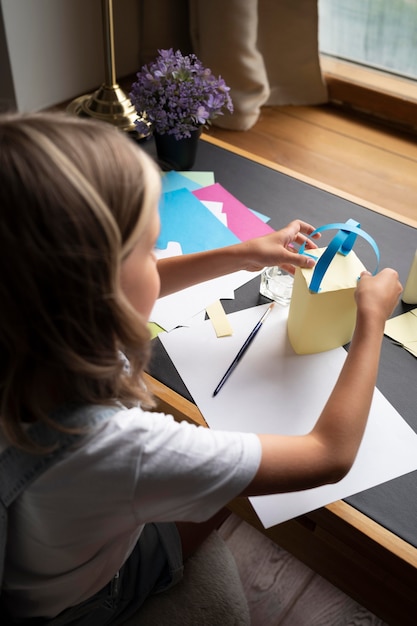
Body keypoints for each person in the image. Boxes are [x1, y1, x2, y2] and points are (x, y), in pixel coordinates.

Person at [0, 112, 402, 625]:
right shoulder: (127, 448)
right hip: (83, 600)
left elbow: (122, 287)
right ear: (94, 293)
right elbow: (329, 455)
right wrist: (371, 320)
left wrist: (239, 253)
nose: (157, 260)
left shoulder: (29, 331)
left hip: (38, 550)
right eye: (148, 251)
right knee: (224, 497)